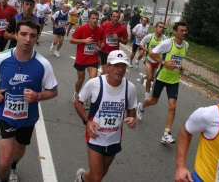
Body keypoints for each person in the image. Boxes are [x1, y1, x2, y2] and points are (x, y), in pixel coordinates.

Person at [0, 17, 58, 182]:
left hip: (27, 118)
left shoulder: (43, 64)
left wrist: (37, 96)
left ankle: (14, 165)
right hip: (3, 114)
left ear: (37, 37)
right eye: (23, 34)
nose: (27, 39)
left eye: (32, 35)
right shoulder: (1, 58)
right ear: (16, 35)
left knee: (19, 149)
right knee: (4, 160)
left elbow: (53, 91)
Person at [73, 50, 137, 182]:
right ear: (107, 67)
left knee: (101, 173)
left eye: (123, 66)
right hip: (95, 137)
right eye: (116, 65)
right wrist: (87, 121)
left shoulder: (130, 88)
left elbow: (131, 110)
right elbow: (77, 101)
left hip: (114, 139)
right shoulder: (95, 84)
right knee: (97, 178)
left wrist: (132, 118)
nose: (120, 70)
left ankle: (81, 178)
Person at [137, 22, 189, 144]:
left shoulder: (186, 45)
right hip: (161, 77)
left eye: (185, 31)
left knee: (172, 106)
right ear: (175, 31)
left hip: (174, 80)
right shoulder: (167, 43)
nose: (184, 33)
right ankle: (141, 106)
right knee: (153, 101)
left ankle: (166, 133)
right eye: (181, 30)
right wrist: (163, 62)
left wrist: (180, 67)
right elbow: (152, 53)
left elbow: (178, 58)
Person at [70, 11, 104, 105]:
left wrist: (99, 48)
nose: (95, 20)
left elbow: (100, 42)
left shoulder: (100, 30)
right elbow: (71, 40)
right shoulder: (82, 29)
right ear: (89, 18)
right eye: (93, 18)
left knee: (93, 80)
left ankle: (85, 98)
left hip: (93, 58)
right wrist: (84, 40)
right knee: (80, 80)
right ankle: (76, 93)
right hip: (81, 58)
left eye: (97, 19)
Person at [139, 22, 167, 99]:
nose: (161, 29)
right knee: (150, 77)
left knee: (152, 78)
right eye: (160, 27)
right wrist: (147, 50)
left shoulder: (164, 38)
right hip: (149, 59)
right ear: (156, 28)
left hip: (158, 61)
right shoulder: (149, 37)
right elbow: (141, 45)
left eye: (163, 27)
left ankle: (143, 76)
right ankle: (147, 95)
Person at [100, 10, 129, 75]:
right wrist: (99, 45)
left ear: (119, 18)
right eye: (114, 16)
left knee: (109, 73)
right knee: (107, 72)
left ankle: (100, 77)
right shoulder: (105, 25)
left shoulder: (122, 27)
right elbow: (98, 36)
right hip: (104, 52)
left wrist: (118, 39)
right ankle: (101, 81)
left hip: (114, 54)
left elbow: (126, 41)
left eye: (117, 17)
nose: (115, 18)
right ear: (111, 17)